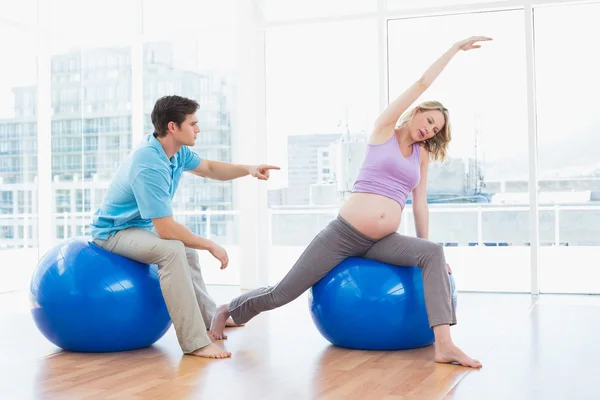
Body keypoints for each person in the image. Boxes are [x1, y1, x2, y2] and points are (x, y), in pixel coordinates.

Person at [210, 36, 492, 368]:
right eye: (429, 121)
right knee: (283, 292)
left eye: (436, 129)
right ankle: (230, 310)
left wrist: (422, 243)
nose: (429, 130)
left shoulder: (422, 154)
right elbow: (421, 82)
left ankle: (444, 345)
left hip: (383, 240)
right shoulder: (384, 130)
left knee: (433, 253)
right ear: (417, 112)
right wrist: (455, 49)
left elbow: (419, 203)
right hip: (343, 235)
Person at [90, 95, 279, 359]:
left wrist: (249, 169)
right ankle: (195, 342)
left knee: (186, 250)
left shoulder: (176, 152)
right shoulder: (148, 164)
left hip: (140, 227)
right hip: (114, 232)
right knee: (173, 250)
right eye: (193, 123)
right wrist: (210, 244)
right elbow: (166, 231)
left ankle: (211, 316)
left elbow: (210, 168)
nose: (198, 129)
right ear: (172, 127)